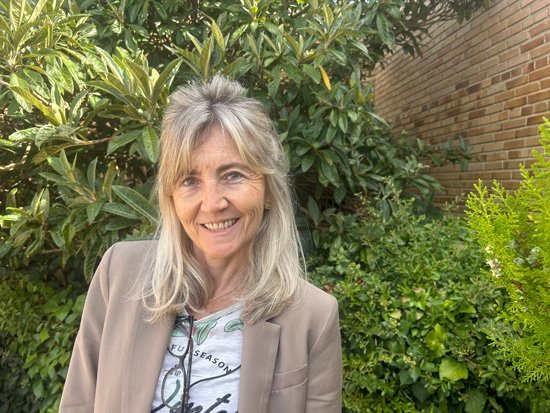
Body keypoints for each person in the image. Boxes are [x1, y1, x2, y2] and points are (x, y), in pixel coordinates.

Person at [59, 75, 342, 413]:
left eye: (233, 175)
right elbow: (78, 403)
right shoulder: (118, 274)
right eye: (190, 180)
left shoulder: (313, 317)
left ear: (268, 190)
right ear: (171, 196)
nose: (212, 203)